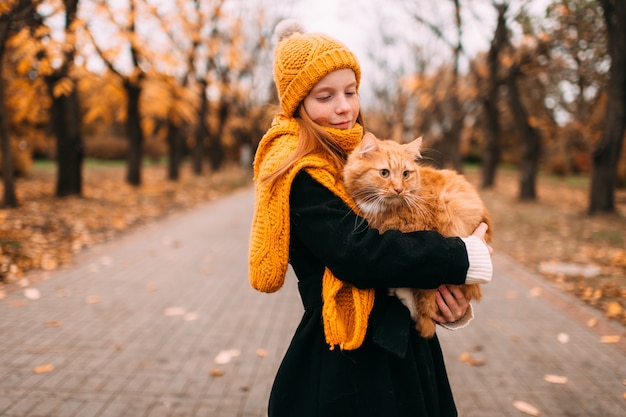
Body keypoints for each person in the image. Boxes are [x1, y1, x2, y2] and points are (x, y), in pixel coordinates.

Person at [249, 20, 493, 417]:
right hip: (348, 356)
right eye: (325, 96)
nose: (344, 107)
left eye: (350, 91)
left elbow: (407, 233)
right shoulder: (298, 169)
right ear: (299, 104)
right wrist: (463, 256)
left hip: (399, 343)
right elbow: (362, 255)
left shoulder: (356, 154)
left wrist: (446, 301)